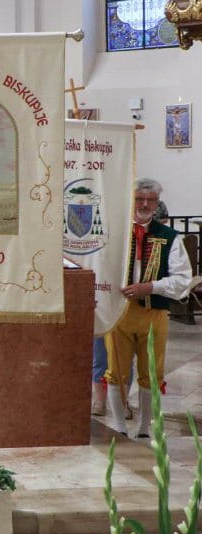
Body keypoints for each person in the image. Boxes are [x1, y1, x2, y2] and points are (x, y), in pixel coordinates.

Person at [105, 178, 192, 438]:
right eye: (139, 199)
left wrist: (151, 287)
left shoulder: (170, 237)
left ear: (157, 203)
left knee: (151, 372)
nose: (144, 204)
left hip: (154, 314)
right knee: (116, 371)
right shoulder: (114, 231)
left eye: (150, 200)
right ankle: (119, 426)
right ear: (131, 200)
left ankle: (144, 428)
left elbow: (183, 280)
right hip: (118, 312)